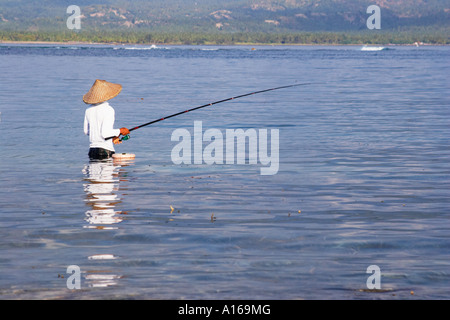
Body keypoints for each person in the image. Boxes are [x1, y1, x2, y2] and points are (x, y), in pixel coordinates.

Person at [83, 79, 130, 160]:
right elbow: (105, 133)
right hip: (105, 151)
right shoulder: (108, 109)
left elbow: (86, 131)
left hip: (92, 151)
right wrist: (121, 131)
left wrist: (112, 137)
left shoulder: (88, 109)